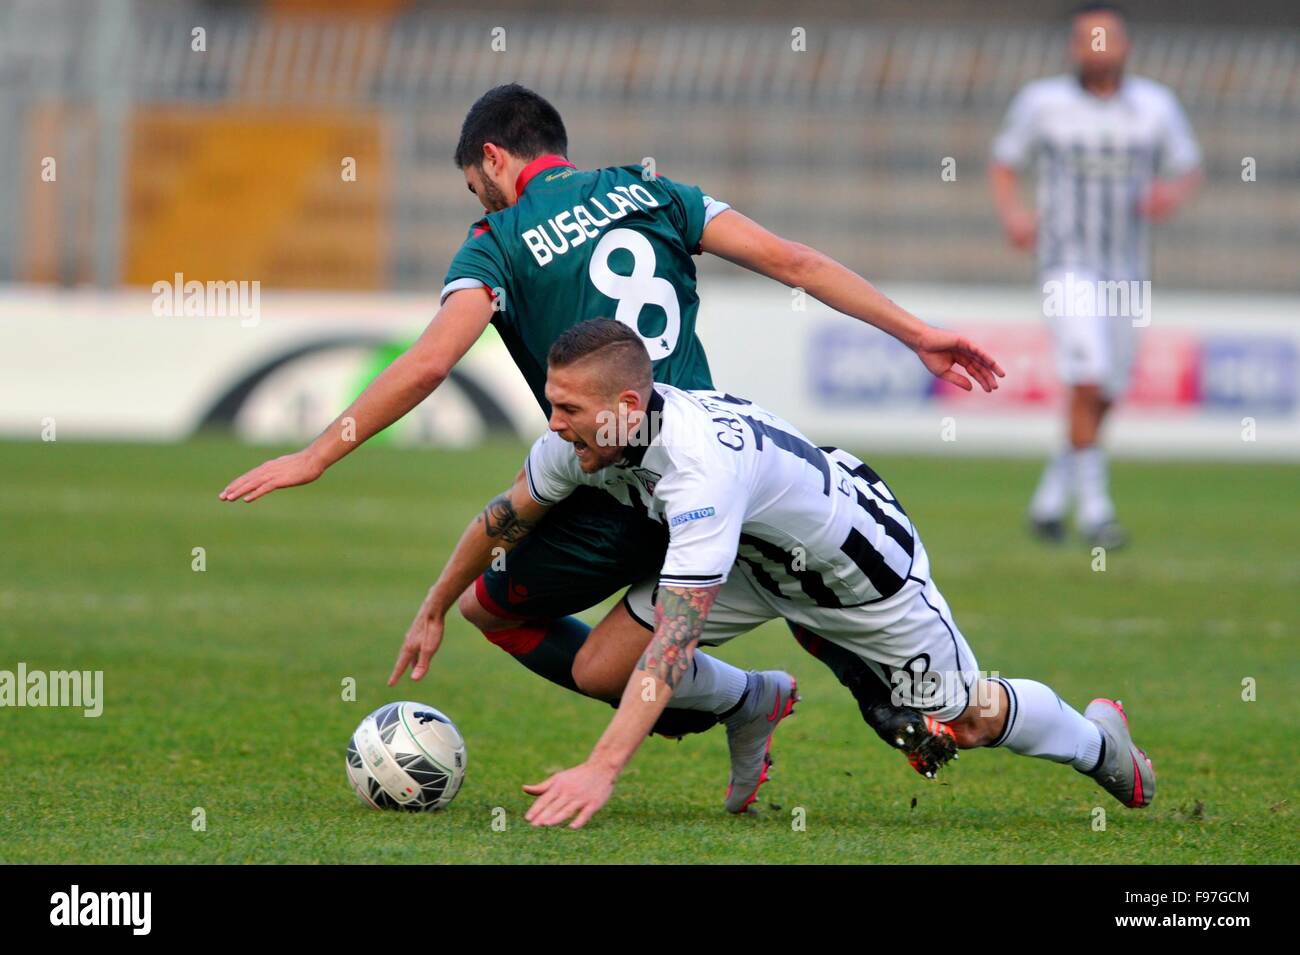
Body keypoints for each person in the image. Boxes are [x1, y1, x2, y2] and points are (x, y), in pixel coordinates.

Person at [222, 83, 1003, 782]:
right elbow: (795, 261)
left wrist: (316, 453)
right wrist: (917, 333)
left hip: (623, 486)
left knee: (493, 612)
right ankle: (814, 646)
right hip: (719, 459)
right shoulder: (653, 190)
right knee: (727, 590)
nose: (481, 202)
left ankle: (743, 696)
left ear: (494, 158)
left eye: (475, 186)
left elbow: (430, 363)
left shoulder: (497, 241)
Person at [391, 319, 1154, 828]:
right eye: (551, 405)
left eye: (566, 408)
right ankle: (753, 699)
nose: (553, 423)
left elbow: (672, 648)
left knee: (962, 722)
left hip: (858, 572)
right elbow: (506, 514)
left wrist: (602, 768)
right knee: (599, 667)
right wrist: (435, 605)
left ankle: (1101, 744)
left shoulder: (699, 472)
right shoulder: (588, 434)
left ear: (626, 404)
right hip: (757, 560)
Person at [990, 2, 1202, 548]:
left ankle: (1049, 500)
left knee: (1107, 387)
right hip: (1067, 265)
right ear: (1074, 48)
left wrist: (1168, 194)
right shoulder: (1045, 103)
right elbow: (1005, 159)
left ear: (1125, 46)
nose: (1099, 48)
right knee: (1087, 372)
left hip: (1127, 271)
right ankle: (1097, 513)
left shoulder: (1155, 106)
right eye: (1089, 38)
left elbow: (1187, 165)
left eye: (1108, 38)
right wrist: (1013, 214)